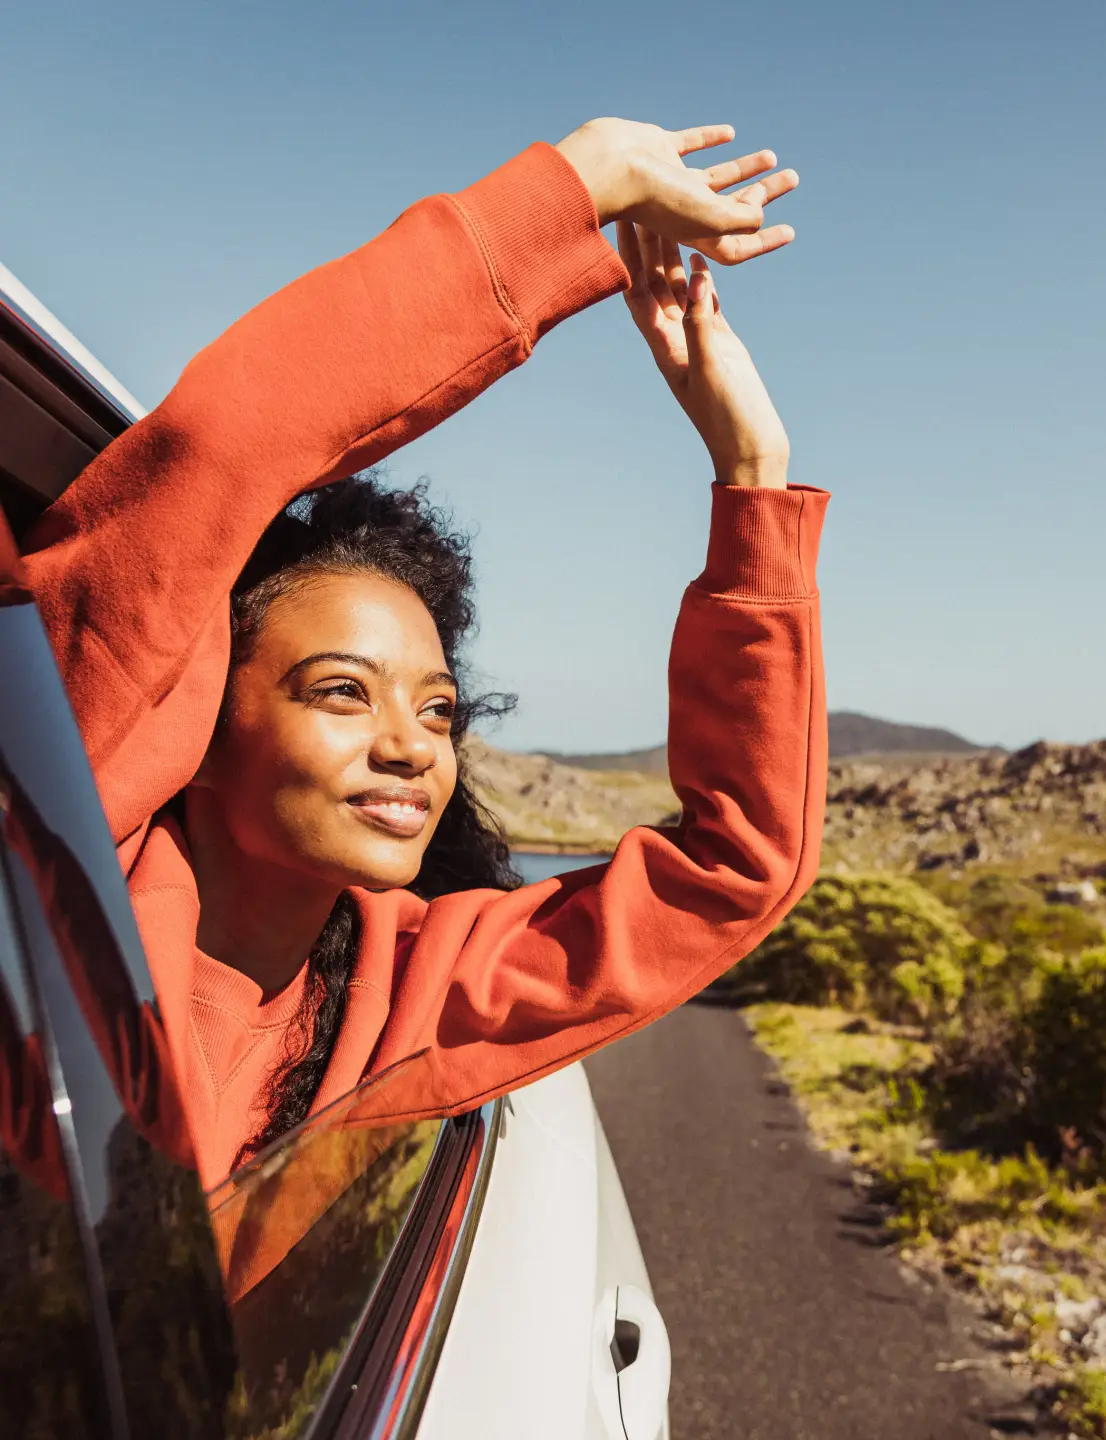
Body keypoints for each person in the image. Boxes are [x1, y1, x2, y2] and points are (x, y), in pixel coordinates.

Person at [21, 118, 828, 1189]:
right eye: (343, 692)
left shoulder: (405, 993)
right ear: (200, 723)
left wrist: (753, 477)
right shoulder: (50, 870)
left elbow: (736, 872)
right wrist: (575, 186)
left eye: (440, 710)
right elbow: (227, 447)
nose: (412, 747)